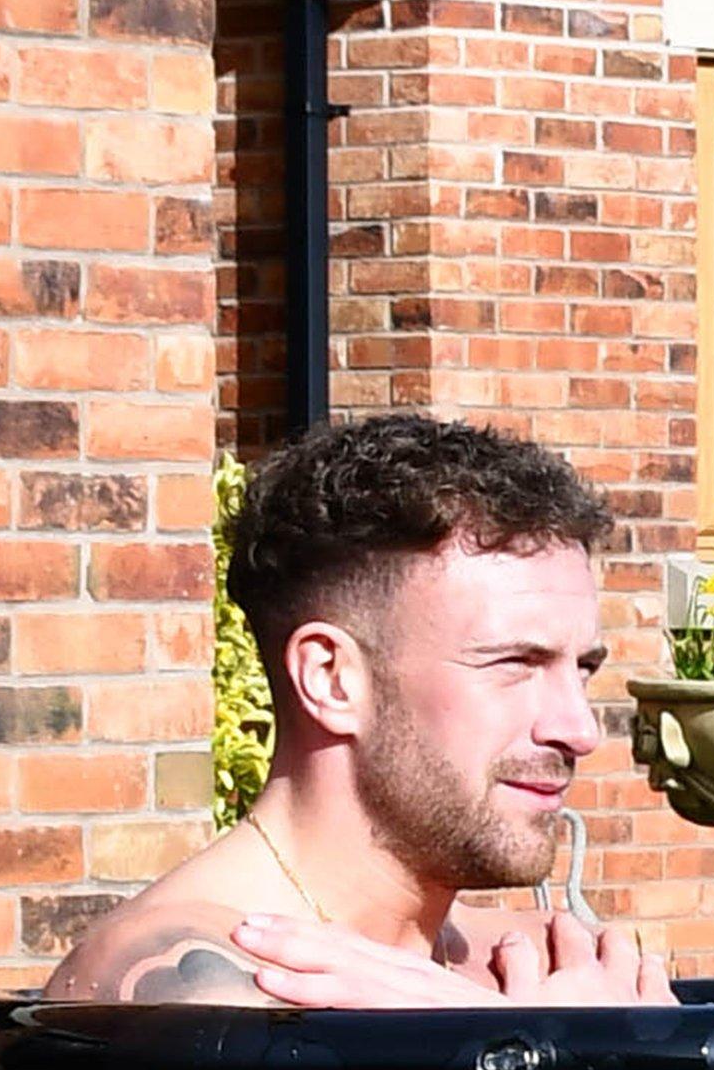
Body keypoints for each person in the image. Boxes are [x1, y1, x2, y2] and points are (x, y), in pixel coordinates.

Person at [45, 414, 676, 1011]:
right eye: (514, 664)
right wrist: (545, 1058)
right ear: (330, 680)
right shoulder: (187, 982)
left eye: (582, 669)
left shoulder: (548, 967)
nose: (579, 729)